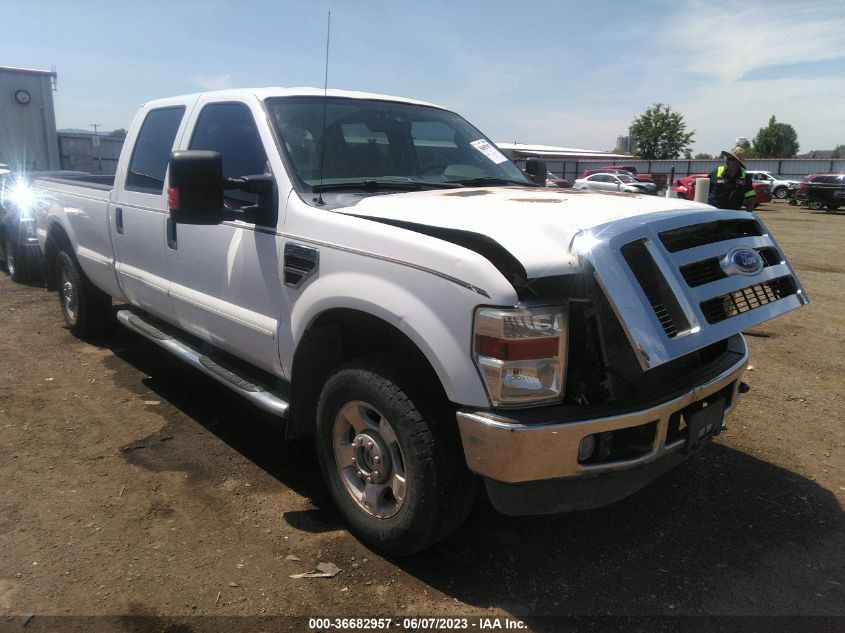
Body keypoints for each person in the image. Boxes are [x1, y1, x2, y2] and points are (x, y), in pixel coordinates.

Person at [708, 146, 755, 211]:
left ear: (738, 163)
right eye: (727, 158)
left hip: (732, 215)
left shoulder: (745, 177)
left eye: (731, 159)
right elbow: (704, 191)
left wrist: (749, 213)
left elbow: (750, 198)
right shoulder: (715, 172)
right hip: (713, 213)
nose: (727, 161)